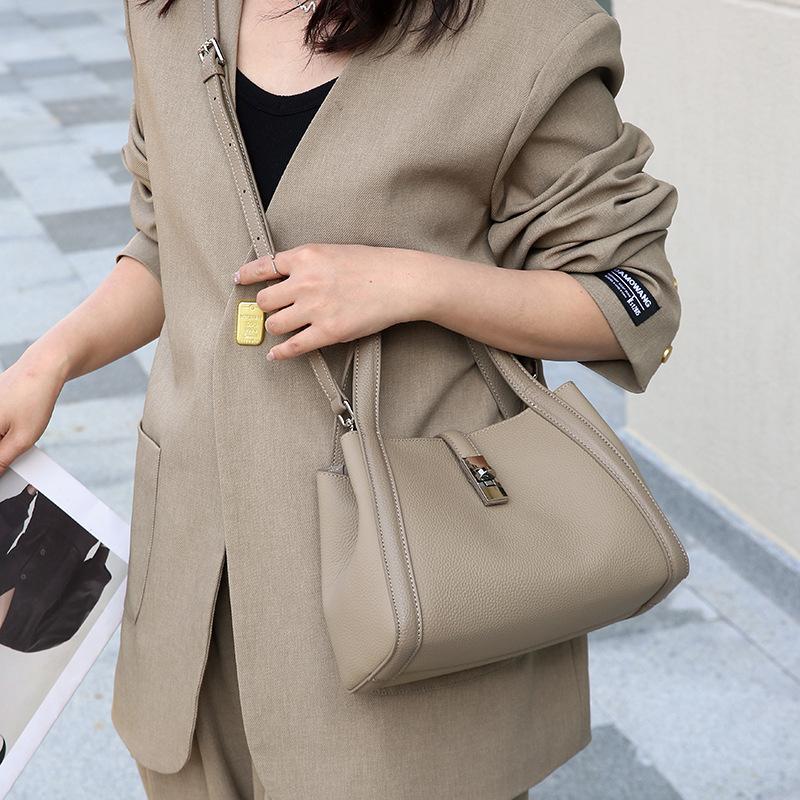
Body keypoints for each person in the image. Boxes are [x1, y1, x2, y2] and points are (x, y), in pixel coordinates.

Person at [0, 0, 681, 797]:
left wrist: (414, 282)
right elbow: (172, 239)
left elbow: (631, 296)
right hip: (194, 585)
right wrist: (47, 363)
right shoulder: (167, 12)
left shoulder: (524, 29)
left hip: (407, 580)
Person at [0, 485, 112, 652]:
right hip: (87, 528)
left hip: (51, 501)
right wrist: (105, 546)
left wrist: (27, 494)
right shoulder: (27, 640)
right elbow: (78, 600)